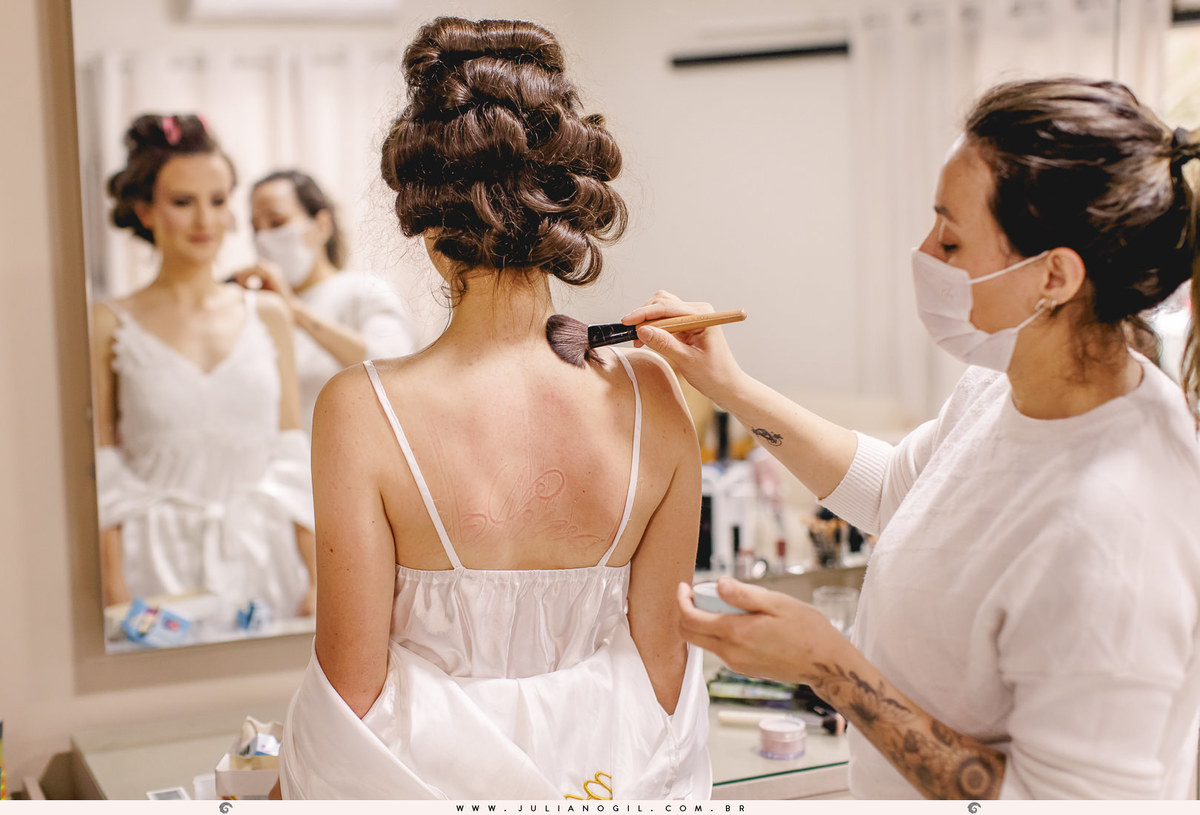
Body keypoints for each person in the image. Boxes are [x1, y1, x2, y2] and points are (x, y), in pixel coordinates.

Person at [626, 77, 1200, 799]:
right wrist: (730, 386)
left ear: (1053, 275)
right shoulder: (1006, 382)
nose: (924, 253)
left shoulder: (1118, 531)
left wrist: (830, 666)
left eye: (951, 238)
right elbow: (900, 488)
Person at [278, 17, 711, 799]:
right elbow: (664, 669)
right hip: (615, 777)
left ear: (432, 232)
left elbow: (350, 694)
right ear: (565, 210)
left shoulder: (361, 411)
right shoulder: (652, 394)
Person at [92, 114, 317, 633]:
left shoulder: (268, 315)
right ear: (145, 209)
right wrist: (115, 591)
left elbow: (290, 455)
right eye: (182, 201)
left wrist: (319, 576)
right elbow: (100, 463)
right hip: (154, 559)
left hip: (264, 552)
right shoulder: (109, 321)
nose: (204, 220)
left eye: (218, 201)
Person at [234, 170, 417, 433]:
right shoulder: (258, 311)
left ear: (321, 225)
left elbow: (393, 369)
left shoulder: (365, 290)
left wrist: (295, 311)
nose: (264, 239)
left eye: (276, 223)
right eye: (255, 229)